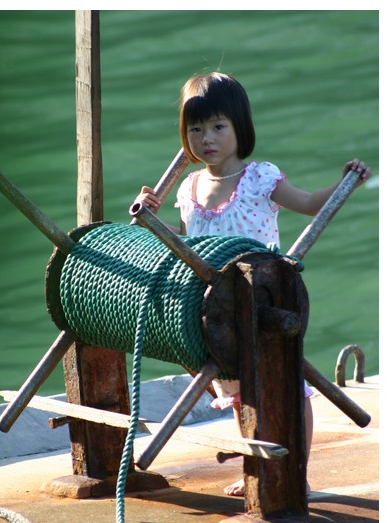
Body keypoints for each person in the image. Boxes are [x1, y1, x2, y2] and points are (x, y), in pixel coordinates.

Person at [135, 71, 371, 497]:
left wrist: (344, 183)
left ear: (240, 128)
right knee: (238, 385)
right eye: (196, 129)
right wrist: (151, 216)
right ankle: (257, 466)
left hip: (264, 297)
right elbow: (189, 238)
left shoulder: (261, 178)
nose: (207, 138)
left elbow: (307, 204)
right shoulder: (189, 186)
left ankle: (295, 468)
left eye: (218, 127)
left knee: (286, 386)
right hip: (217, 305)